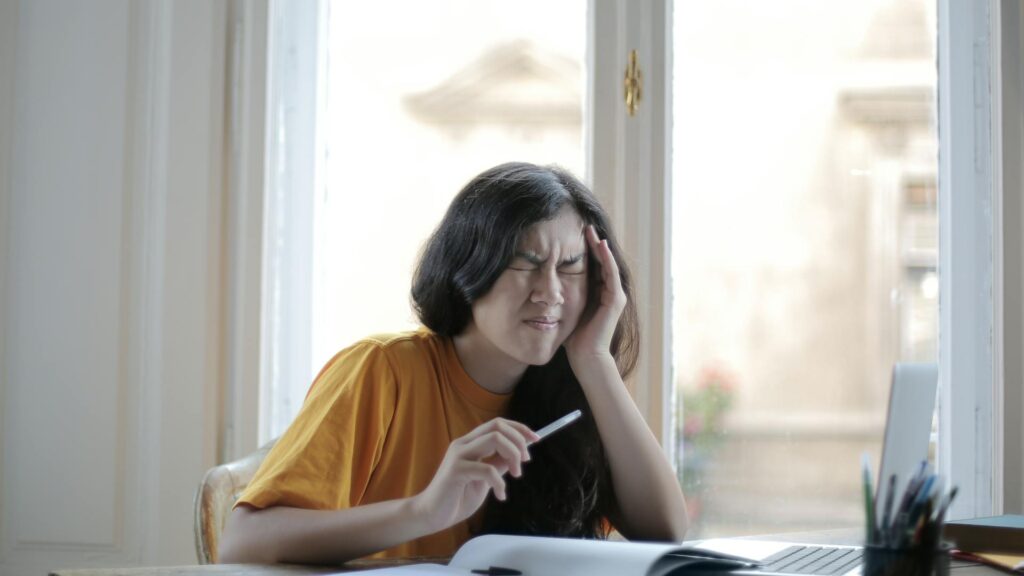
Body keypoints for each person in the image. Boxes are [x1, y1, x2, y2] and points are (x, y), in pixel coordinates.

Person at [218, 162, 688, 565]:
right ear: (470, 266)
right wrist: (424, 511)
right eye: (525, 263)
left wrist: (594, 358)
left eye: (570, 267)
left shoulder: (573, 387)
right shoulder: (382, 370)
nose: (550, 292)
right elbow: (242, 544)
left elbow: (664, 531)